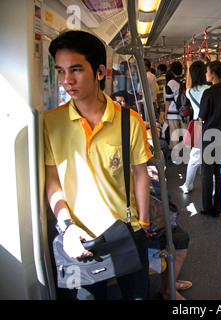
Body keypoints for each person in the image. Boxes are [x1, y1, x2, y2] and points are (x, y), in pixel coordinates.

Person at [44, 30, 152, 300]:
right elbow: (52, 179)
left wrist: (143, 221)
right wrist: (66, 227)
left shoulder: (129, 121)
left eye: (76, 69)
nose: (67, 80)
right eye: (60, 71)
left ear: (100, 71)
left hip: (126, 230)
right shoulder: (50, 123)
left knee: (137, 296)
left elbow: (140, 172)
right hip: (77, 237)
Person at [198, 61, 221, 217]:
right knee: (220, 173)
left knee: (207, 174)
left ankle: (207, 207)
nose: (206, 74)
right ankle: (218, 208)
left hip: (209, 137)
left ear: (213, 74)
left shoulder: (208, 93)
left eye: (207, 72)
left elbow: (201, 117)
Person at [180, 60, 209, 194]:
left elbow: (188, 84)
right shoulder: (210, 90)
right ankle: (213, 189)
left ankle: (187, 185)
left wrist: (188, 68)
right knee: (212, 159)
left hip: (197, 125)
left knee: (194, 159)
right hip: (210, 124)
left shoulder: (190, 92)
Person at [165, 61, 188, 150]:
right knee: (186, 132)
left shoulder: (171, 82)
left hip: (172, 112)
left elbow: (168, 100)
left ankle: (175, 154)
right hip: (184, 111)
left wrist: (166, 113)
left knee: (174, 133)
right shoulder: (185, 80)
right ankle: (187, 152)